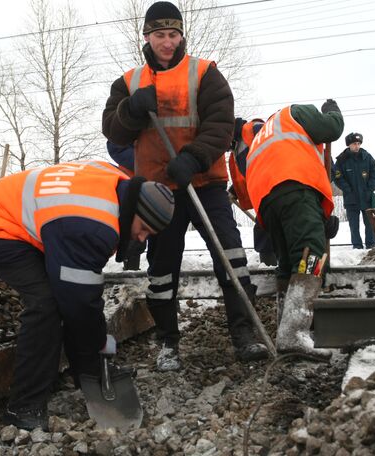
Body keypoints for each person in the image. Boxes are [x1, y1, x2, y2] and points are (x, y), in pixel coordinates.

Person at [101, 1, 269, 371]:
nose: (167, 42)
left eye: (173, 34)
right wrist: (130, 110)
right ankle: (168, 343)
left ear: (181, 36)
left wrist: (193, 157)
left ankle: (245, 335)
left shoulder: (205, 73)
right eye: (159, 35)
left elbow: (221, 122)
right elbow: (111, 130)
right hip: (157, 190)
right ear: (147, 36)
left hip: (204, 181)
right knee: (162, 268)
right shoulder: (128, 83)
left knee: (231, 256)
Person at [0, 160, 175, 431]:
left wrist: (92, 358)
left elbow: (79, 297)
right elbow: (80, 303)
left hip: (28, 220)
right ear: (133, 209)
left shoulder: (118, 185)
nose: (141, 239)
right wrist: (100, 346)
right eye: (143, 228)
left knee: (66, 297)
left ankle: (82, 371)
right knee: (46, 304)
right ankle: (23, 406)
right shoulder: (93, 225)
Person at [245, 100, 343, 353]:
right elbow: (332, 129)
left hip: (268, 202)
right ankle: (294, 334)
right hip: (295, 185)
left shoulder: (262, 136)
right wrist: (333, 112)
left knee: (289, 262)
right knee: (311, 255)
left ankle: (285, 329)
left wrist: (320, 218)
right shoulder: (295, 112)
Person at [229, 117, 277, 267]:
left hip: (276, 186)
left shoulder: (253, 129)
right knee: (265, 230)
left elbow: (276, 149)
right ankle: (272, 265)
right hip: (264, 193)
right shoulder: (236, 149)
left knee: (266, 230)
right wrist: (234, 192)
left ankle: (271, 267)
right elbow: (247, 176)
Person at [333, 132, 375, 249]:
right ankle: (357, 246)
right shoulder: (341, 160)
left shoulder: (367, 157)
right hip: (351, 197)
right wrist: (347, 189)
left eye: (358, 143)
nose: (357, 146)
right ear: (349, 145)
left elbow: (374, 173)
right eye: (354, 144)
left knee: (369, 223)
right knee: (354, 225)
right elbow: (338, 176)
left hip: (366, 196)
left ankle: (371, 244)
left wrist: (370, 188)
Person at [106, 140, 145, 270]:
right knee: (133, 229)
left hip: (157, 180)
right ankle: (130, 267)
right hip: (131, 182)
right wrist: (147, 162)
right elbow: (116, 146)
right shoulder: (128, 125)